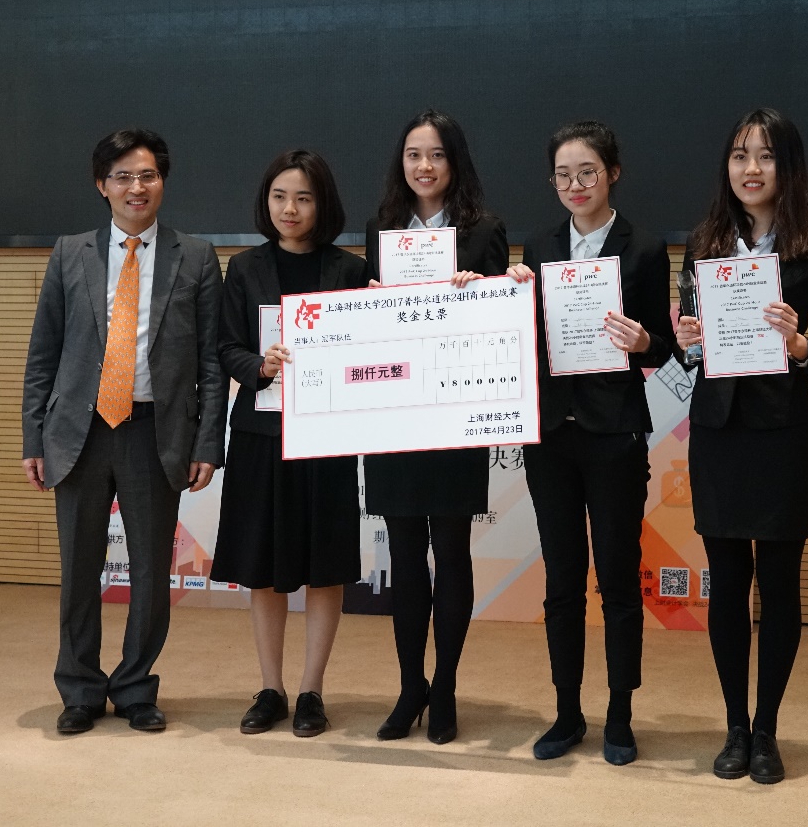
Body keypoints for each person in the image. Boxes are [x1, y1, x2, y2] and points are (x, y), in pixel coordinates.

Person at [21, 128, 227, 734]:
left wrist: (207, 443)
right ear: (102, 186)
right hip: (78, 434)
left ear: (162, 181)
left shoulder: (196, 257)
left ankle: (136, 686)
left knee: (150, 574)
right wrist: (33, 437)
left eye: (148, 175)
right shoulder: (71, 253)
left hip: (153, 433)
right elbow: (43, 353)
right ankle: (80, 689)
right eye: (123, 177)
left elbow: (212, 365)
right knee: (79, 572)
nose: (137, 187)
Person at [675, 107, 808, 784]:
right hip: (718, 433)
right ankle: (734, 728)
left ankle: (767, 729)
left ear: (787, 167)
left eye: (766, 156)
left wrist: (800, 343)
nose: (751, 169)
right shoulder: (703, 244)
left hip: (783, 436)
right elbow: (689, 349)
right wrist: (687, 343)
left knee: (778, 584)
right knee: (726, 584)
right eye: (739, 155)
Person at [507, 120, 673, 765]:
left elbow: (662, 346)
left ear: (612, 173)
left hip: (614, 434)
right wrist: (509, 296)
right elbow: (525, 334)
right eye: (563, 175)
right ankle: (567, 712)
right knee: (562, 581)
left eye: (587, 172)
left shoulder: (644, 248)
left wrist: (644, 342)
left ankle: (620, 714)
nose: (575, 185)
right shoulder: (540, 246)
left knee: (618, 580)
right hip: (551, 434)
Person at [361, 109, 510, 745]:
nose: (424, 167)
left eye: (437, 155)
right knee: (402, 555)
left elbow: (505, 326)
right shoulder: (382, 229)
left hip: (455, 414)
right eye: (414, 155)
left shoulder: (485, 231)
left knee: (450, 553)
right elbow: (368, 330)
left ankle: (444, 686)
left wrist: (481, 294)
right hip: (396, 414)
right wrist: (369, 305)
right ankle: (409, 686)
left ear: (456, 162)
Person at [210, 149, 366, 737]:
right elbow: (226, 346)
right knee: (263, 567)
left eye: (303, 197)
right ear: (266, 202)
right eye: (280, 196)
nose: (290, 208)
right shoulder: (245, 268)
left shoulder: (349, 271)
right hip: (260, 436)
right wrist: (260, 364)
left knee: (325, 567)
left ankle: (311, 690)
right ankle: (271, 688)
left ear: (322, 204)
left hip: (325, 437)